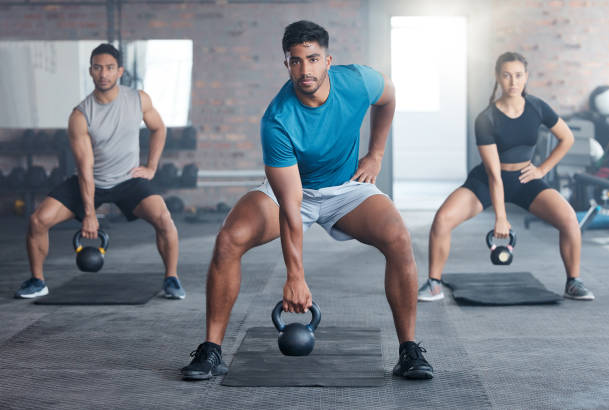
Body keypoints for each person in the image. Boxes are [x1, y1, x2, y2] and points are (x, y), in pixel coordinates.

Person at [181, 20, 433, 380]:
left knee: (398, 238)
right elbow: (291, 203)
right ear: (286, 64)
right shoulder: (277, 119)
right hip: (293, 189)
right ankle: (211, 349)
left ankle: (409, 350)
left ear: (328, 60)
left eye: (312, 59)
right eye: (295, 61)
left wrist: (376, 153)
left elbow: (389, 97)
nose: (304, 70)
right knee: (229, 239)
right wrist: (295, 277)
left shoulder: (359, 81)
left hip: (345, 188)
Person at [418, 51, 594, 302]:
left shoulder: (537, 107)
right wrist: (501, 218)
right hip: (488, 179)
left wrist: (542, 170)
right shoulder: (486, 119)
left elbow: (567, 138)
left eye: (519, 76)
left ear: (526, 77)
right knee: (443, 219)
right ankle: (433, 284)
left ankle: (573, 282)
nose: (513, 82)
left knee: (568, 219)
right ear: (498, 78)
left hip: (525, 179)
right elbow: (494, 175)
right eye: (507, 76)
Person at [14, 43, 185, 300]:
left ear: (120, 71)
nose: (103, 73)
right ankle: (38, 281)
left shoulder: (139, 100)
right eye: (97, 68)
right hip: (91, 181)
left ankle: (171, 278)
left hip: (129, 181)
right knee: (38, 220)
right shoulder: (80, 115)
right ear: (90, 71)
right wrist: (90, 214)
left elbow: (158, 128)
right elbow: (85, 168)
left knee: (164, 219)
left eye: (109, 68)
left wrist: (151, 166)